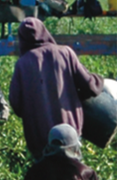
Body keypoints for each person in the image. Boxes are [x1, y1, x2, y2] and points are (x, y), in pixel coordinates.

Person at [10, 17, 103, 157]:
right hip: (69, 132)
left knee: (45, 175)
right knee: (73, 173)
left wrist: (33, 112)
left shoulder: (22, 64)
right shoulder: (65, 53)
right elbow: (88, 86)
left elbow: (16, 103)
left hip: (39, 138)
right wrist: (99, 80)